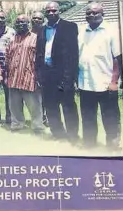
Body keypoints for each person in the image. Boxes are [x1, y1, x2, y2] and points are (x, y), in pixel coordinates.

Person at [77, 2, 122, 150]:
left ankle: (113, 145)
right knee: (88, 117)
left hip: (106, 83)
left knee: (110, 117)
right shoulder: (82, 31)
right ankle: (89, 144)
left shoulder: (111, 31)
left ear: (103, 14)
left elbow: (117, 58)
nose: (91, 15)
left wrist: (114, 81)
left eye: (95, 12)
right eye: (88, 12)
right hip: (86, 83)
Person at [35, 1, 80, 143]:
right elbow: (39, 53)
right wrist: (39, 74)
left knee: (68, 106)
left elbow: (73, 55)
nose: (51, 13)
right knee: (50, 106)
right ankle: (58, 134)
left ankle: (73, 136)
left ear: (58, 11)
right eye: (48, 11)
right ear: (45, 12)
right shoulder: (41, 30)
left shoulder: (70, 27)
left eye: (54, 10)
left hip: (63, 74)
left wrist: (69, 78)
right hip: (47, 75)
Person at [6, 15, 45, 134]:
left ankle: (37, 126)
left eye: (23, 22)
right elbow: (8, 57)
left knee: (34, 105)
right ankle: (17, 125)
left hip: (30, 78)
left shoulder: (36, 38)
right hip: (14, 78)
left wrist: (39, 77)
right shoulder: (12, 39)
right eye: (18, 22)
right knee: (14, 106)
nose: (20, 24)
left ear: (28, 23)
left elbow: (40, 58)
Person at [31, 11, 49, 127]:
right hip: (30, 68)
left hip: (44, 69)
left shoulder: (47, 32)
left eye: (39, 18)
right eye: (35, 18)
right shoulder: (27, 33)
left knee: (45, 95)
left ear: (43, 21)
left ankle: (46, 117)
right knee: (33, 96)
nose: (37, 20)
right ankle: (37, 117)